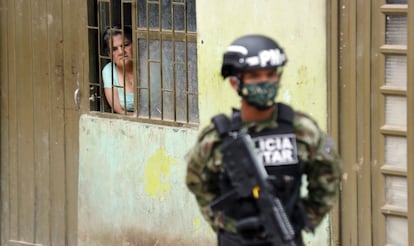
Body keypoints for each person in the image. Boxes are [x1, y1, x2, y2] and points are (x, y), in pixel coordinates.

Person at [185, 34, 342, 245]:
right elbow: (197, 181)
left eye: (270, 74)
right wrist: (223, 222)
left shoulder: (302, 131)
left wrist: (303, 218)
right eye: (255, 75)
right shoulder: (217, 137)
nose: (265, 82)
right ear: (235, 82)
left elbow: (329, 176)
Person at [102, 25, 135, 115]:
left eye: (125, 45)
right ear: (109, 54)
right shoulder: (109, 71)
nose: (121, 52)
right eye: (114, 49)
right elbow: (119, 110)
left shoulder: (147, 65)